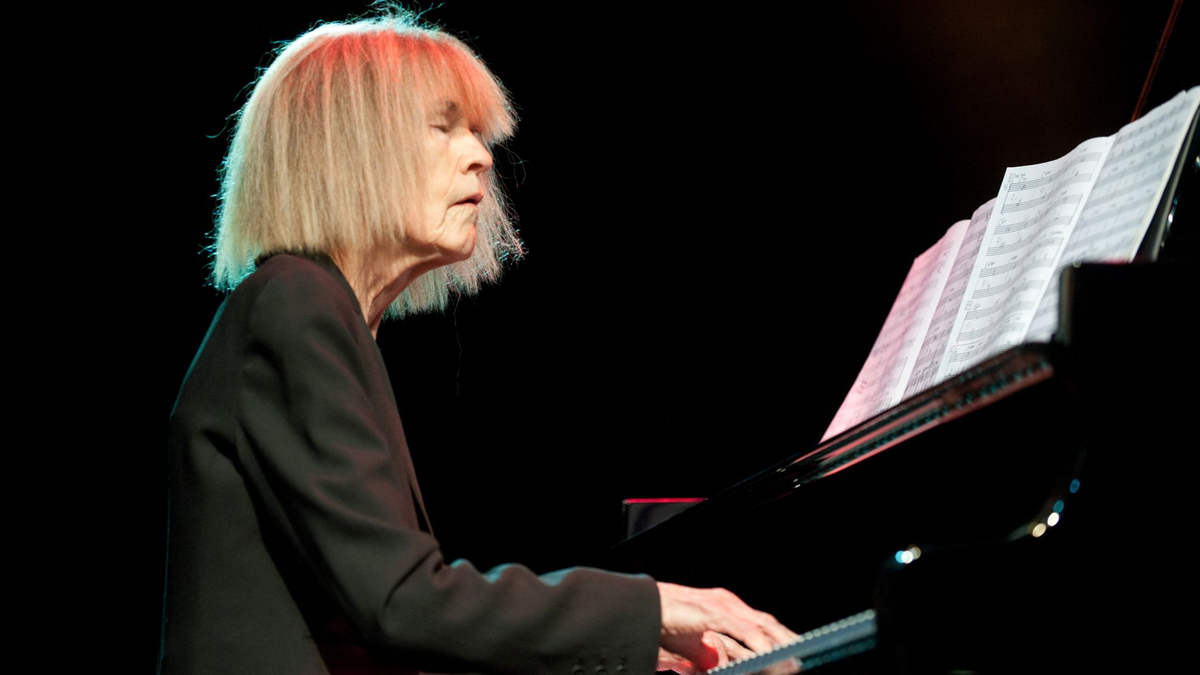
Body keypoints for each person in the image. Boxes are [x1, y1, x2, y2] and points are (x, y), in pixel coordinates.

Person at [161, 10, 796, 675]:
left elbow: (375, 637)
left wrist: (622, 655)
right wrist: (651, 606)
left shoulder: (310, 311)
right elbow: (402, 600)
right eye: (444, 127)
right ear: (347, 148)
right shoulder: (296, 303)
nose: (481, 154)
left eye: (475, 131)